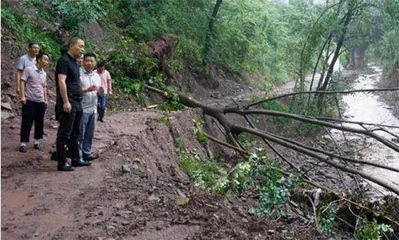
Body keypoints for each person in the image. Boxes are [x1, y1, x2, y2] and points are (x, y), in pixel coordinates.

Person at [55, 37, 90, 171]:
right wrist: (65, 101)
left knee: (75, 132)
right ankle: (62, 163)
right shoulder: (63, 61)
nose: (82, 49)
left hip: (77, 101)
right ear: (71, 46)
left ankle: (75, 159)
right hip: (69, 100)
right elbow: (61, 81)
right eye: (80, 46)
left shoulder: (75, 62)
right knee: (64, 133)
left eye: (83, 47)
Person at [18, 52, 49, 152]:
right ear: (39, 60)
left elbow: (44, 86)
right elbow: (22, 81)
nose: (47, 62)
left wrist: (45, 99)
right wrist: (22, 96)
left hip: (40, 101)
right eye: (45, 59)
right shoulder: (29, 69)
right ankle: (23, 143)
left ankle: (37, 142)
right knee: (27, 121)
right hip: (29, 99)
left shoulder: (44, 73)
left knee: (39, 122)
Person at [79, 52, 101, 161]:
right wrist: (87, 90)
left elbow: (98, 91)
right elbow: (74, 90)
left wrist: (100, 91)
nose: (89, 63)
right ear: (83, 61)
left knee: (89, 133)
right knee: (80, 133)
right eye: (87, 61)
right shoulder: (78, 74)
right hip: (82, 108)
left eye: (91, 61)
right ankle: (78, 155)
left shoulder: (96, 76)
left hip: (93, 108)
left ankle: (86, 153)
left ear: (95, 62)